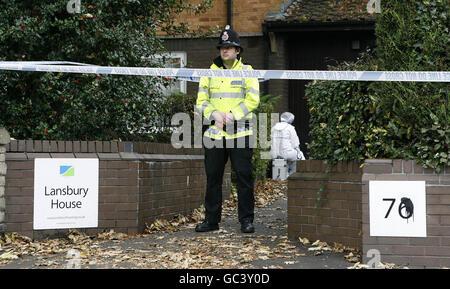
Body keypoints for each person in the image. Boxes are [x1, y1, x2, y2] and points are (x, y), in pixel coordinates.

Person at [195, 25, 260, 233]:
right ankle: (211, 221)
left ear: (238, 50)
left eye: (230, 47)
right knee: (213, 177)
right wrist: (214, 115)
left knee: (244, 177)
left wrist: (233, 114)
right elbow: (201, 100)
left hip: (241, 132)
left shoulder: (248, 72)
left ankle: (246, 220)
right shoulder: (208, 73)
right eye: (223, 47)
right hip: (214, 132)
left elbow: (253, 99)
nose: (225, 50)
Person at [270, 112, 305, 178]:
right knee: (299, 156)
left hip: (275, 154)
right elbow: (295, 143)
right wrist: (298, 152)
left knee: (279, 174)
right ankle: (293, 175)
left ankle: (282, 176)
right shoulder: (290, 128)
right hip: (288, 153)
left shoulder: (273, 128)